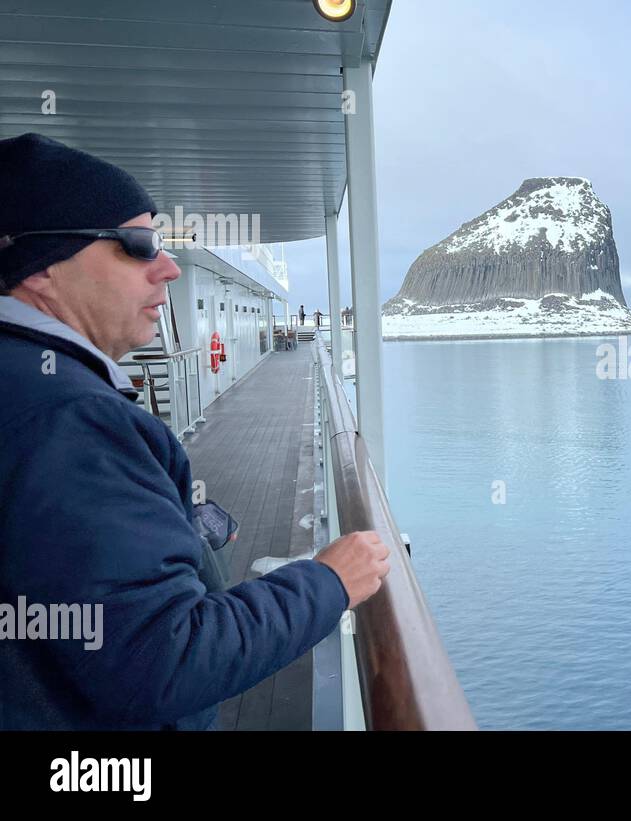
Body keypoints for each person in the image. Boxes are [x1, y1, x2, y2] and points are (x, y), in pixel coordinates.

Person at [0, 133, 391, 730]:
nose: (170, 267)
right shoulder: (69, 419)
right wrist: (328, 581)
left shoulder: (34, 388)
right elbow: (161, 660)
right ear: (43, 268)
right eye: (138, 245)